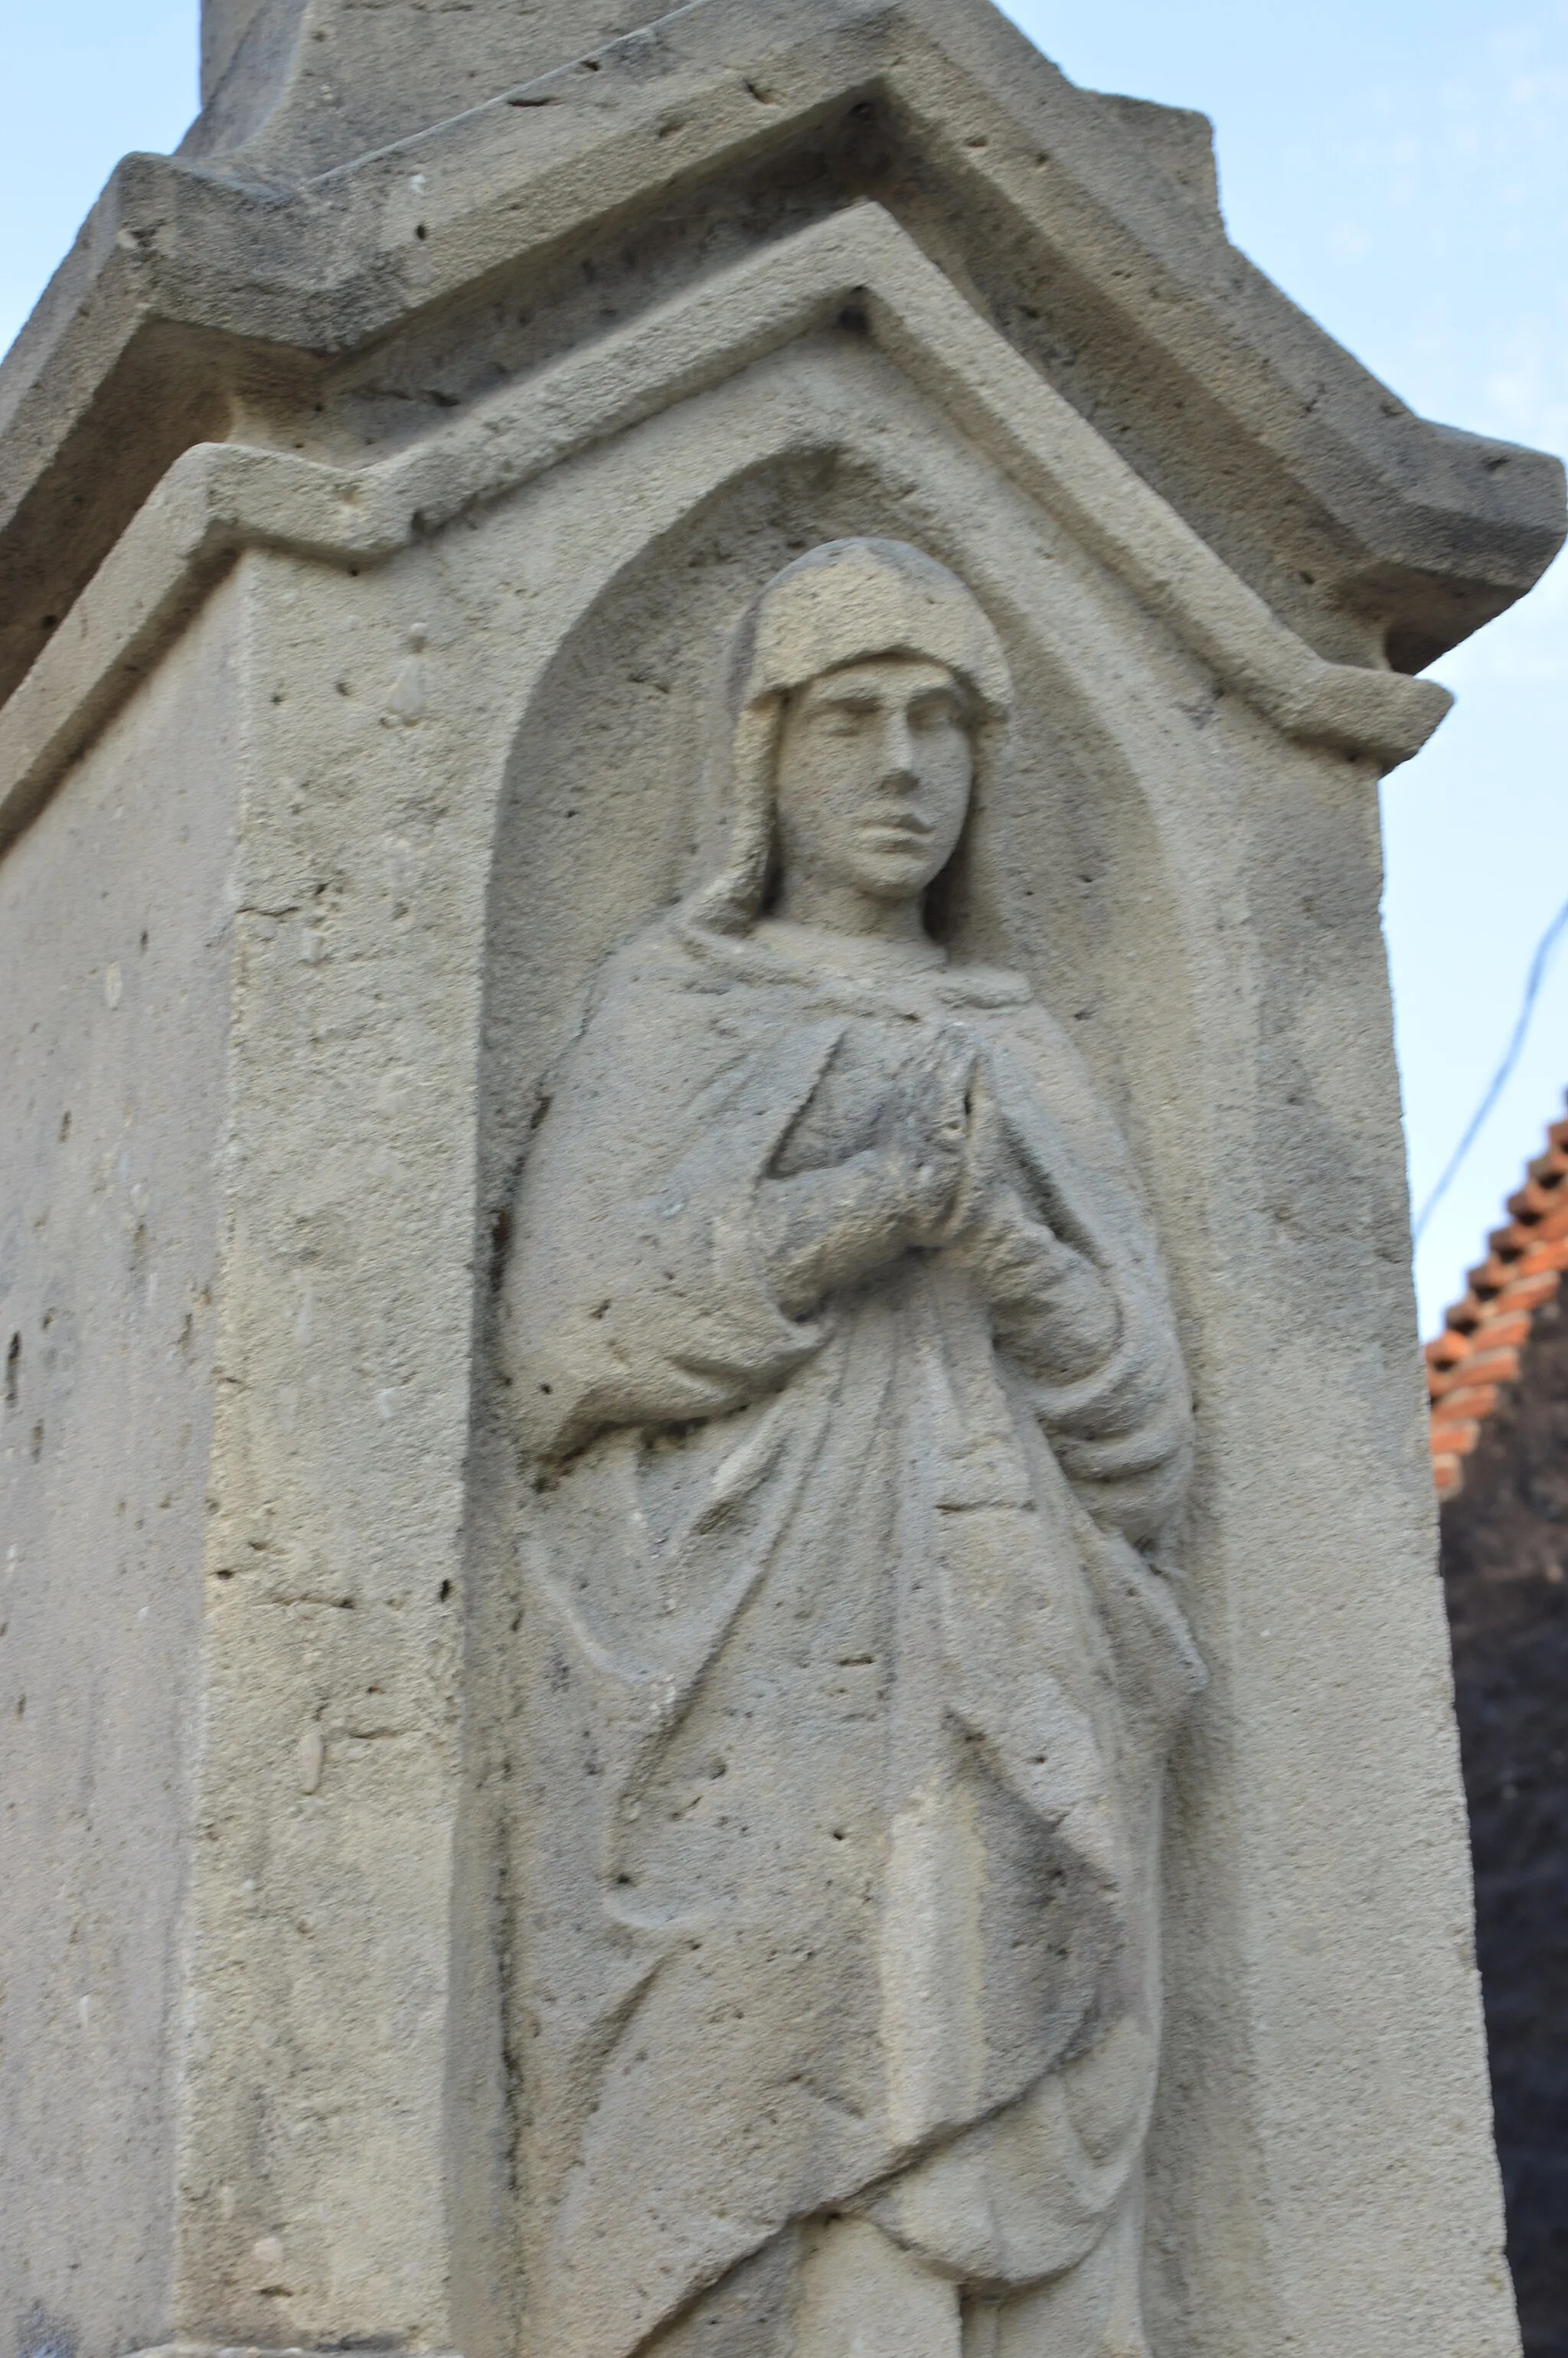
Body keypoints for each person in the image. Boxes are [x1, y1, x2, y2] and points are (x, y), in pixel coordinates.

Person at [499, 539, 1203, 2358]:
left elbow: (1142, 1433)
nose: (903, 765)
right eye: (850, 719)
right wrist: (858, 1209)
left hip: (1008, 1651)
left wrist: (1005, 1249)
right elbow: (572, 1345)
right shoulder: (677, 1013)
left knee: (985, 2114)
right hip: (736, 1679)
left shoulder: (1019, 1040)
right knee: (764, 2137)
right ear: (765, 755)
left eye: (940, 721)